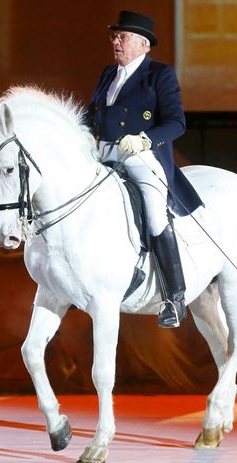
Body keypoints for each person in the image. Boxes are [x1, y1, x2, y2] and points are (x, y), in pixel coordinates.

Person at [86, 10, 203, 328]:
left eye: (121, 37)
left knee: (154, 214)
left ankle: (175, 298)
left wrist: (144, 140)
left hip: (140, 156)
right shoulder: (108, 74)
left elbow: (177, 123)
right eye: (114, 37)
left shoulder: (159, 75)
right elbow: (92, 114)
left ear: (142, 44)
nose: (115, 41)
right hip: (103, 154)